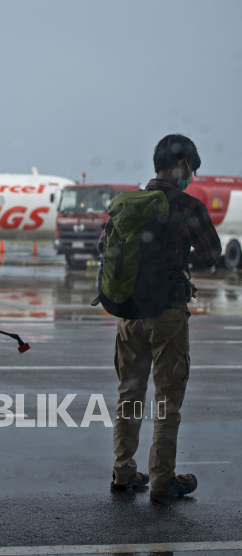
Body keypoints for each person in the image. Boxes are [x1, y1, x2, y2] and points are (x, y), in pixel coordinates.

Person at [100, 134, 221, 499]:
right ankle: (163, 479)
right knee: (167, 402)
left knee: (130, 396)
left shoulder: (126, 205)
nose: (191, 177)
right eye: (191, 170)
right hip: (168, 315)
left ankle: (124, 473)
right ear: (182, 165)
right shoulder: (188, 206)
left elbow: (105, 249)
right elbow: (211, 254)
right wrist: (179, 263)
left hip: (129, 315)